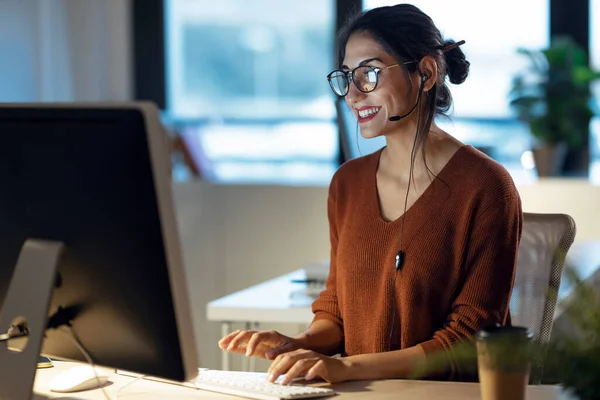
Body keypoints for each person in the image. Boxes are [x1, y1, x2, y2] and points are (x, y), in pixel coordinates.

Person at [218, 3, 522, 384]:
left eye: (370, 74)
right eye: (348, 77)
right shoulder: (347, 183)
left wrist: (346, 367)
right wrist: (298, 344)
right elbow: (338, 311)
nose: (353, 95)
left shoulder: (487, 186)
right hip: (362, 391)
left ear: (425, 73)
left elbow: (468, 340)